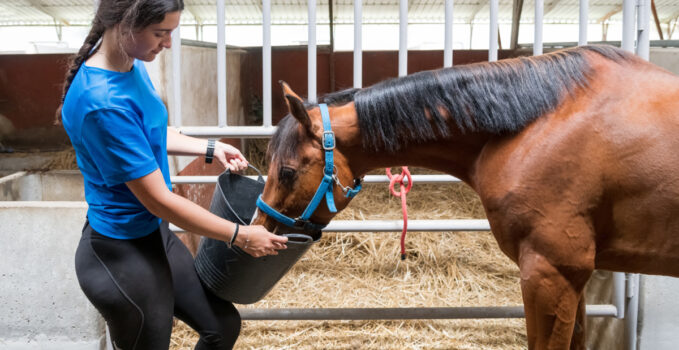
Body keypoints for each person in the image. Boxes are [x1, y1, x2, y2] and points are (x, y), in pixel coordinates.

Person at [55, 0, 288, 349]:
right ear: (123, 24)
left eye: (170, 33)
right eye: (159, 33)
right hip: (121, 251)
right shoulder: (100, 101)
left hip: (153, 236)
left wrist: (209, 148)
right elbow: (160, 201)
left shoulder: (129, 64)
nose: (167, 44)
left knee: (221, 326)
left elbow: (145, 133)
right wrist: (240, 235)